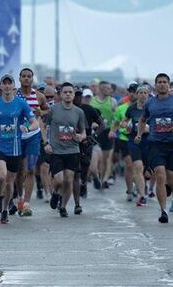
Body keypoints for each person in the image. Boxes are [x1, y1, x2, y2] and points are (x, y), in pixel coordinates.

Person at [0, 74, 38, 225]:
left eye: (10, 83)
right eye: (5, 83)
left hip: (15, 148)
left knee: (10, 182)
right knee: (2, 177)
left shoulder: (21, 104)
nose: (8, 86)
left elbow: (35, 122)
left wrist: (27, 127)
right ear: (1, 87)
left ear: (14, 87)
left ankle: (4, 210)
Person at [134, 73, 173, 224]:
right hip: (156, 144)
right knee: (160, 175)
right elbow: (142, 120)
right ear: (155, 85)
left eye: (164, 82)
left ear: (168, 85)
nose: (162, 84)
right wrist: (140, 134)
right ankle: (163, 211)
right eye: (159, 82)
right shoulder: (150, 103)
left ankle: (167, 189)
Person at [43, 82, 87, 218]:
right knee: (59, 180)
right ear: (60, 95)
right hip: (56, 151)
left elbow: (84, 132)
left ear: (74, 95)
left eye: (70, 92)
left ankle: (63, 207)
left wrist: (81, 137)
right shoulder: (53, 109)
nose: (68, 94)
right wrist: (46, 143)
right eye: (65, 92)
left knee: (69, 180)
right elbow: (43, 125)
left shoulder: (79, 112)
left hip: (73, 150)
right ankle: (55, 193)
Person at [14, 68, 50, 217]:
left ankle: (27, 204)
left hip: (33, 136)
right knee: (18, 171)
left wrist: (41, 113)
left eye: (29, 76)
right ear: (20, 78)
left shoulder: (39, 96)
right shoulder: (14, 95)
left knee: (30, 169)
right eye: (24, 76)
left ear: (32, 78)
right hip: (16, 137)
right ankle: (19, 198)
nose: (27, 79)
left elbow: (48, 111)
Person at [91, 81, 117, 189]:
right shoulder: (92, 101)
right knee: (98, 157)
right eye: (107, 88)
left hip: (108, 131)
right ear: (101, 89)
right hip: (97, 131)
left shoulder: (112, 101)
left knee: (107, 158)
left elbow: (117, 117)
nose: (110, 90)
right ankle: (98, 176)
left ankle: (104, 179)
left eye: (110, 88)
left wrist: (114, 129)